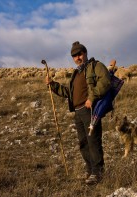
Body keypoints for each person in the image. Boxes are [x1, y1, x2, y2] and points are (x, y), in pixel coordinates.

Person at [45, 41, 111, 185]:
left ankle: (98, 172)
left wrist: (91, 98)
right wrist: (53, 85)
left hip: (90, 110)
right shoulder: (76, 73)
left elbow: (105, 82)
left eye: (79, 54)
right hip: (78, 112)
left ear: (85, 53)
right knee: (83, 143)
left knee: (93, 141)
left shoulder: (96, 66)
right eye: (74, 56)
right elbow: (69, 93)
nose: (77, 57)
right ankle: (90, 170)